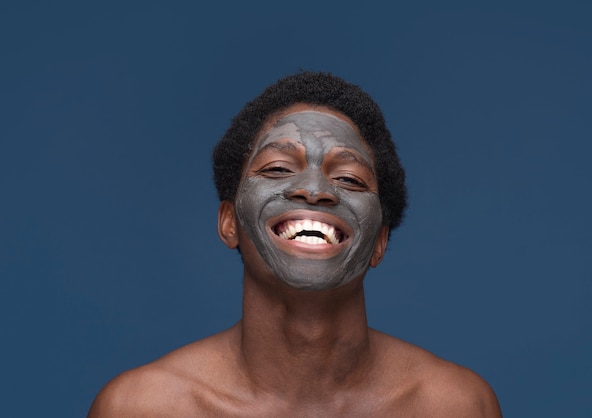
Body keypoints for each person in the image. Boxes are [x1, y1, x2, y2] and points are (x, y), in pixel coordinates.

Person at [88, 71, 502, 417]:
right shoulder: (142, 407)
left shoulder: (454, 405)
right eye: (278, 168)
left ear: (379, 241)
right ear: (229, 222)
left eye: (350, 179)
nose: (314, 189)